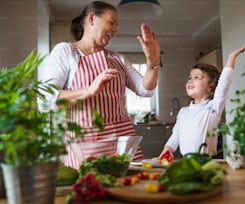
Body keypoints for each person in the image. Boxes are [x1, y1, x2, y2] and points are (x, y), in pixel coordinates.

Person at [38, 1, 161, 169]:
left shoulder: (118, 59)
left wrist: (152, 61)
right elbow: (45, 99)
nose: (115, 29)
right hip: (86, 144)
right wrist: (88, 91)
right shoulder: (66, 51)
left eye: (117, 25)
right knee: (93, 188)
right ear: (91, 18)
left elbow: (145, 89)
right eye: (111, 22)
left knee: (128, 185)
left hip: (122, 143)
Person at [158, 43, 245, 158]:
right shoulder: (183, 112)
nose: (191, 80)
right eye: (190, 78)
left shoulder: (213, 107)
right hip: (185, 162)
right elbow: (174, 139)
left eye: (197, 77)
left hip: (207, 162)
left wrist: (231, 58)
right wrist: (166, 151)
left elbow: (224, 83)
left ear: (210, 87)